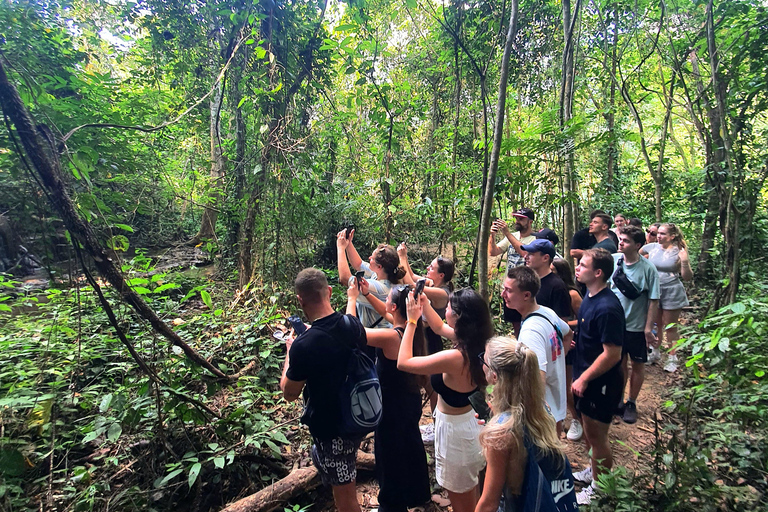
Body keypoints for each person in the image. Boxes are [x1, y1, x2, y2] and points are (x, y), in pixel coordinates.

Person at [280, 268, 369, 512]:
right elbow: (345, 325)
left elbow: (289, 393)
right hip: (357, 416)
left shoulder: (303, 345)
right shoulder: (353, 326)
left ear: (300, 300)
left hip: (332, 430)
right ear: (329, 291)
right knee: (340, 482)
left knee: (346, 500)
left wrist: (290, 350)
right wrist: (351, 299)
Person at [398, 288, 494, 512]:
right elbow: (439, 327)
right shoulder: (476, 342)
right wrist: (424, 305)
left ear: (459, 316)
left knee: (462, 501)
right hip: (468, 423)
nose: (445, 310)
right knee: (472, 490)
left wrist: (411, 322)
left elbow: (404, 362)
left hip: (456, 435)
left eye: (449, 307)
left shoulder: (454, 357)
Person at [346, 283, 430, 512]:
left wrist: (352, 298)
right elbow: (386, 313)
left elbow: (351, 332)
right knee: (407, 448)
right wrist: (366, 293)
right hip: (408, 401)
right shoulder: (413, 327)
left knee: (390, 455)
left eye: (387, 299)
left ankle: (391, 505)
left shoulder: (391, 337)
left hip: (392, 407)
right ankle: (408, 497)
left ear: (393, 306)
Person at [475, 337, 578, 512]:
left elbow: (488, 504)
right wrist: (497, 417)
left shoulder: (500, 435)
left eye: (483, 361)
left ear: (494, 375)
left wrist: (497, 426)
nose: (481, 365)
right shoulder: (542, 409)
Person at [571, 249, 625, 505]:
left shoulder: (607, 307)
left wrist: (584, 379)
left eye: (583, 265)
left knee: (597, 437)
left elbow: (613, 354)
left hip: (600, 383)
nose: (578, 267)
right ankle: (594, 471)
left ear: (598, 272)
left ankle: (600, 487)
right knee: (589, 432)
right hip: (586, 376)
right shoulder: (590, 296)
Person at [501, 266, 572, 435]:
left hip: (541, 416)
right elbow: (569, 334)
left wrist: (528, 414)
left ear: (526, 295)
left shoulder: (531, 332)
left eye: (509, 291)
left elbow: (536, 378)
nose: (504, 294)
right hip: (555, 406)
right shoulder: (547, 312)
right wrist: (559, 358)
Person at [610, 226, 660, 424]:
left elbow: (654, 299)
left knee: (637, 364)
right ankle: (618, 400)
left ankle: (631, 402)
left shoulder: (648, 269)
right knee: (619, 363)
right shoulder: (614, 261)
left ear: (638, 245)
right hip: (616, 324)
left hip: (636, 326)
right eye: (621, 239)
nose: (621, 243)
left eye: (626, 241)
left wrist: (648, 328)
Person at [640, 223, 692, 372]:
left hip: (672, 290)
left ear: (672, 236)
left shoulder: (679, 252)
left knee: (670, 326)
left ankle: (672, 357)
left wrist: (685, 261)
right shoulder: (651, 248)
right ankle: (655, 352)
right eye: (658, 233)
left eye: (663, 234)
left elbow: (687, 277)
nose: (659, 236)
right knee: (656, 323)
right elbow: (634, 256)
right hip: (654, 290)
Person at [337, 228, 405, 328]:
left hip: (377, 338)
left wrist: (340, 248)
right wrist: (349, 243)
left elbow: (345, 278)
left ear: (379, 267)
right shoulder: (380, 274)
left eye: (372, 258)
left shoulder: (380, 288)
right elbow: (358, 264)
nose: (369, 258)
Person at [488, 208, 537, 335]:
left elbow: (524, 253)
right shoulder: (513, 236)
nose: (517, 221)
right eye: (516, 218)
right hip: (511, 289)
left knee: (529, 321)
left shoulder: (536, 239)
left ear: (530, 222)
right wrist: (492, 235)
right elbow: (493, 252)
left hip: (526, 289)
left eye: (521, 219)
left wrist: (507, 233)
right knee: (515, 323)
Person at [551, 258, 584, 442]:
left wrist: (561, 325)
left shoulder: (572, 294)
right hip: (554, 341)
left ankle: (577, 419)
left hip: (570, 342)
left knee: (566, 385)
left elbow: (584, 320)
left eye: (553, 271)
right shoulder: (552, 291)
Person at [521, 239, 571, 320]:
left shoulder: (557, 286)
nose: (526, 257)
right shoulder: (527, 283)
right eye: (527, 253)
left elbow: (562, 323)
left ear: (545, 258)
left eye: (531, 254)